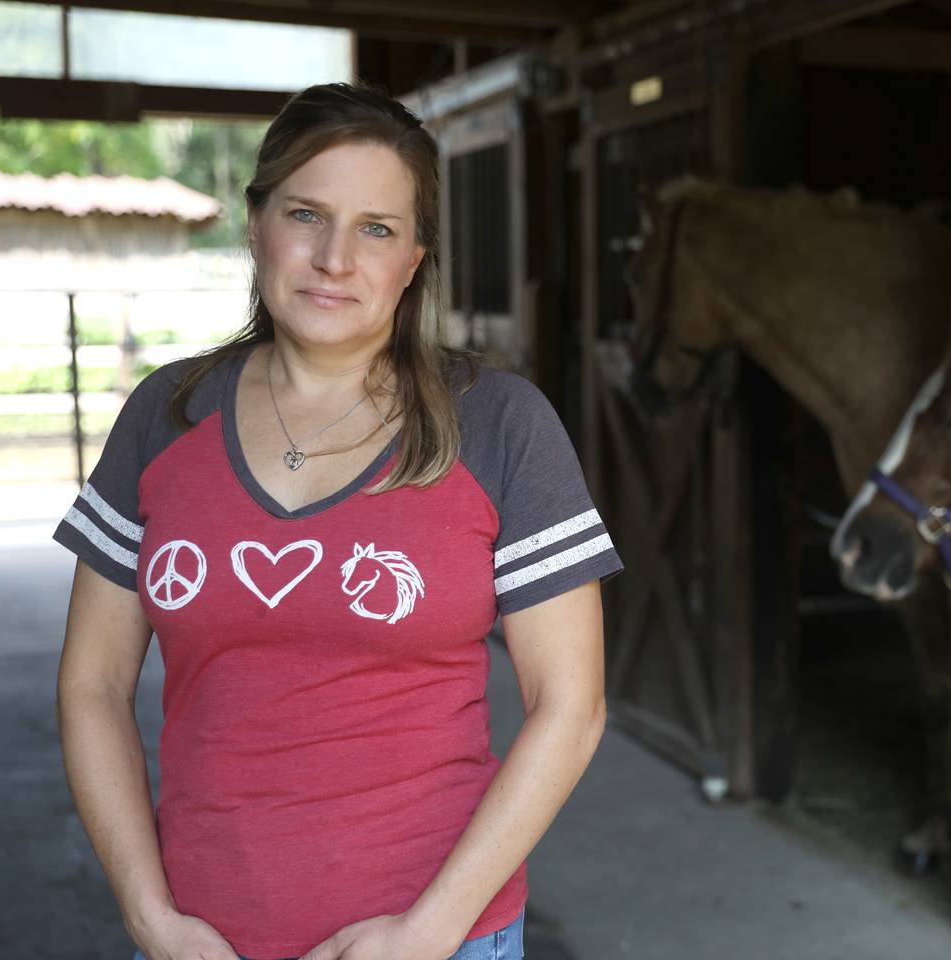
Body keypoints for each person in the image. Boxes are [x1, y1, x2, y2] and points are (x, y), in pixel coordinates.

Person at [52, 81, 622, 960]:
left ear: (416, 256)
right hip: (199, 942)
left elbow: (571, 704)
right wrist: (148, 915)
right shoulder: (166, 415)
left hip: (436, 943)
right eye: (306, 214)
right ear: (255, 225)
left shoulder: (500, 425)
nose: (335, 258)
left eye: (377, 229)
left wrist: (426, 934)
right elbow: (92, 686)